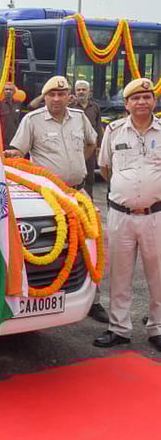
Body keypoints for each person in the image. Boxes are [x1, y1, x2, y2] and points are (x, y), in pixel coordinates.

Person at [5, 76, 106, 321]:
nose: (57, 99)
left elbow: (92, 143)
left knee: (90, 245)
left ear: (69, 95)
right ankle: (44, 296)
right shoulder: (32, 120)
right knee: (50, 246)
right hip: (49, 197)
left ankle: (93, 299)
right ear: (45, 96)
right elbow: (18, 152)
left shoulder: (80, 118)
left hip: (78, 192)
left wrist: (79, 162)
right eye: (52, 94)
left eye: (62, 94)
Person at [93, 78, 161, 352]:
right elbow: (105, 169)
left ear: (154, 102)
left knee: (158, 275)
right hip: (121, 215)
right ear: (126, 104)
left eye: (147, 97)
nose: (142, 102)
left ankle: (157, 328)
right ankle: (119, 328)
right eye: (136, 98)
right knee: (119, 275)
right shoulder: (114, 130)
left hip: (155, 215)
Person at [70, 80, 104, 198]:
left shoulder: (95, 107)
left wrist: (100, 146)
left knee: (89, 177)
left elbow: (98, 127)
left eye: (83, 89)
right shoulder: (70, 107)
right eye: (78, 90)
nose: (81, 92)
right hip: (73, 148)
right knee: (74, 177)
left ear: (89, 92)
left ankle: (89, 204)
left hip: (90, 148)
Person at [0, 81, 24, 149]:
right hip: (3, 140)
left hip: (16, 139)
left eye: (10, 89)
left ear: (14, 92)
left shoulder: (18, 104)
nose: (8, 91)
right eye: (6, 89)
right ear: (3, 91)